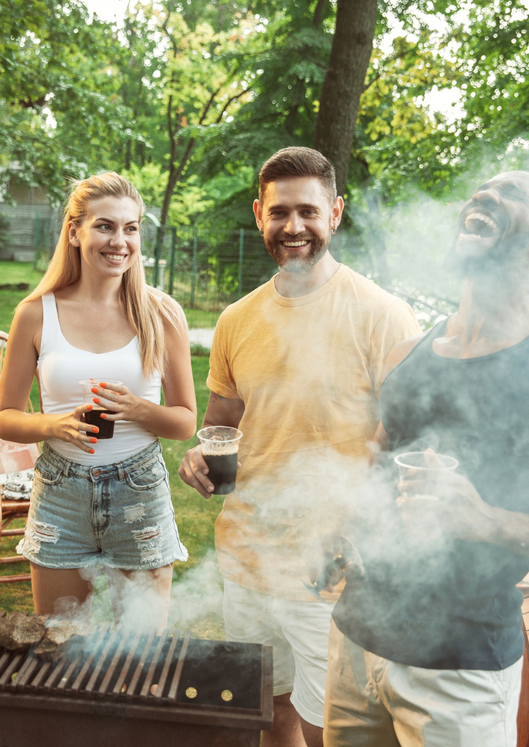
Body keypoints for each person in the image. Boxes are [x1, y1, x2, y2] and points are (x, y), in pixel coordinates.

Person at [322, 171, 529, 747]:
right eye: (484, 189)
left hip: (460, 667)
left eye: (514, 194)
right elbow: (377, 460)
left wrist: (486, 521)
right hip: (355, 640)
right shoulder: (410, 352)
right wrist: (338, 529)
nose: (487, 195)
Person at [177, 147, 421, 747]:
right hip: (246, 555)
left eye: (308, 211)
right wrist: (198, 456)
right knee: (268, 711)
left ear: (335, 213)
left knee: (330, 729)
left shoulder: (383, 316)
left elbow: (413, 445)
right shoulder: (236, 320)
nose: (293, 227)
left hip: (330, 568)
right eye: (279, 212)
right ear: (259, 213)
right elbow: (225, 419)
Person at [0, 172, 196, 629]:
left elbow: (185, 421)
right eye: (105, 226)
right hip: (61, 493)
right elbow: (4, 419)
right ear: (74, 231)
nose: (119, 241)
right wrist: (55, 425)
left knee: (142, 651)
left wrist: (139, 410)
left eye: (131, 228)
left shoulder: (161, 313)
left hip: (139, 490)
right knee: (60, 644)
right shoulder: (35, 313)